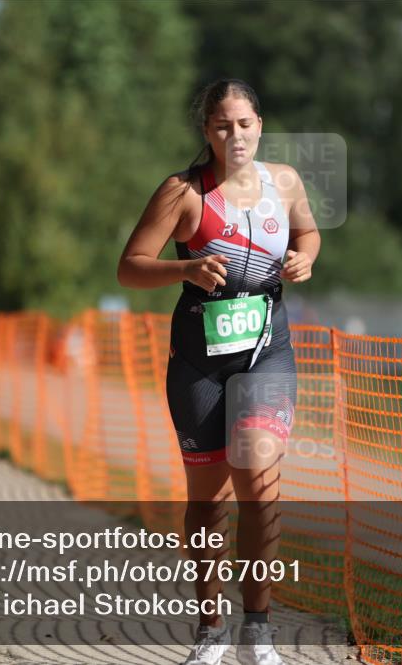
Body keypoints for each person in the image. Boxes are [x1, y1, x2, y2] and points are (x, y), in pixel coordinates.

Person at [117, 79, 320, 665]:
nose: (236, 136)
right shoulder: (183, 193)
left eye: (245, 124)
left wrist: (305, 256)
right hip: (199, 358)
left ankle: (257, 631)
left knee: (257, 478)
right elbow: (130, 268)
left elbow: (307, 232)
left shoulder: (285, 182)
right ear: (206, 131)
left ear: (260, 125)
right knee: (207, 501)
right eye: (223, 126)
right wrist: (183, 271)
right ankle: (210, 630)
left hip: (266, 346)